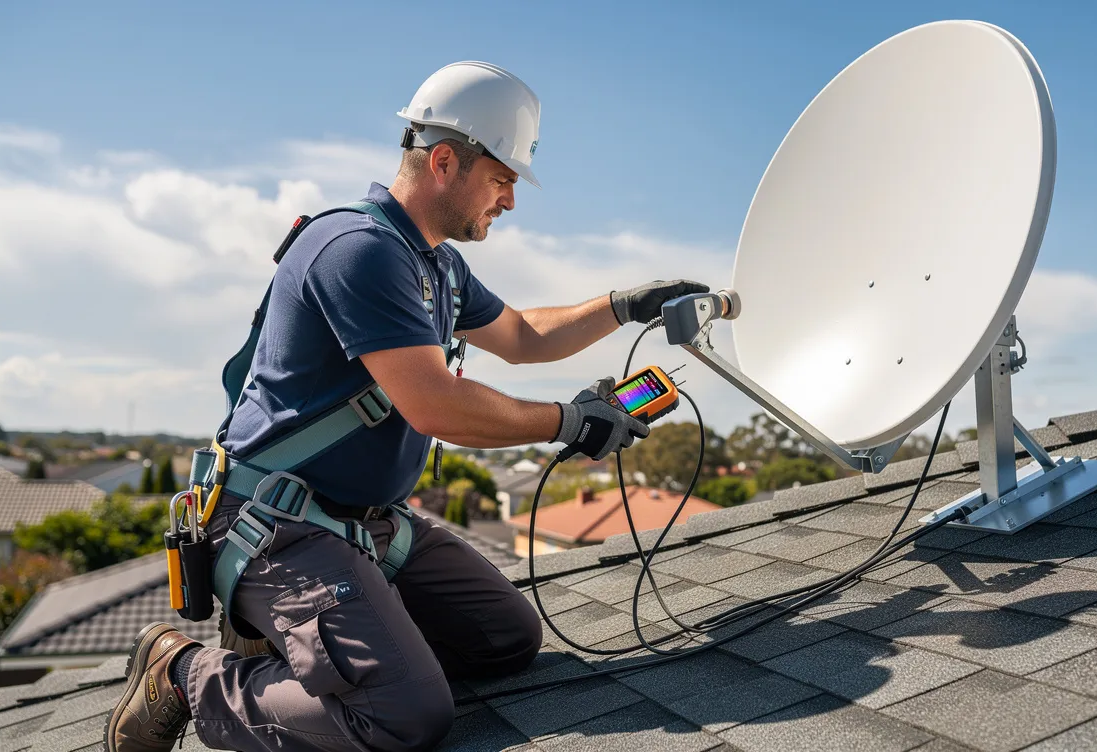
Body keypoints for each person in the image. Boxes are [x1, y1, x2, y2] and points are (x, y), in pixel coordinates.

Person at [105, 61, 708, 752]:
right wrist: (569, 422)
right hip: (276, 525)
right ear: (446, 161)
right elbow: (435, 407)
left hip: (367, 525)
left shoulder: (437, 265)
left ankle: (342, 660)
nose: (509, 202)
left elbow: (522, 335)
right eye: (503, 180)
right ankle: (184, 674)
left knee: (504, 639)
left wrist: (624, 305)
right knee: (404, 716)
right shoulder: (358, 251)